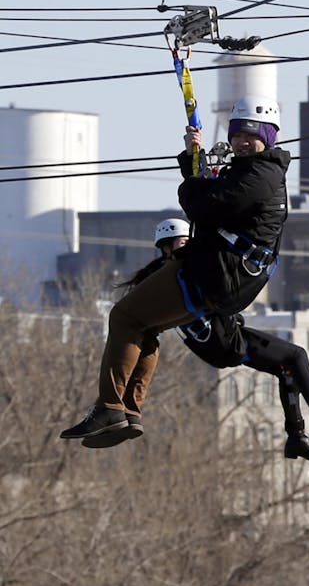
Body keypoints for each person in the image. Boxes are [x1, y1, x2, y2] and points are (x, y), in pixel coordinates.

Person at [60, 95, 291, 446]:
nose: (243, 141)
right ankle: (128, 412)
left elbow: (203, 206)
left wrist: (191, 183)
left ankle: (110, 407)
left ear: (269, 137)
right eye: (238, 134)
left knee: (124, 317)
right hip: (220, 276)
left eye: (252, 135)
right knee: (144, 327)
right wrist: (192, 159)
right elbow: (211, 198)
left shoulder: (259, 175)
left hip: (213, 274)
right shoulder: (252, 173)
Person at [104, 220, 309, 461]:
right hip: (224, 341)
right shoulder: (176, 274)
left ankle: (297, 436)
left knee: (287, 369)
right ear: (166, 248)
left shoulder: (166, 276)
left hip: (220, 341)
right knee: (297, 355)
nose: (187, 246)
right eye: (182, 242)